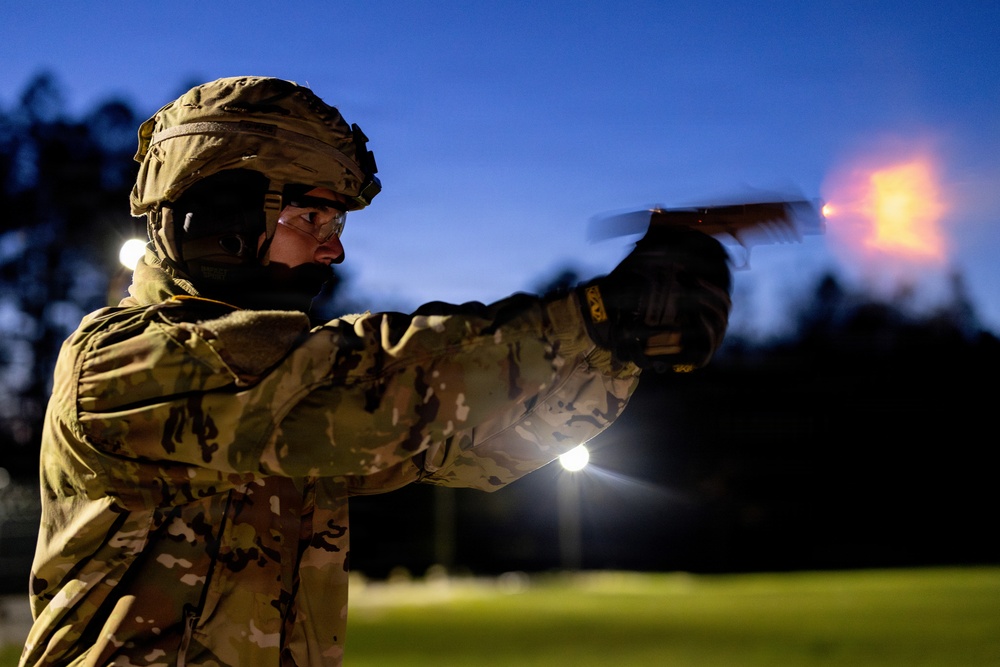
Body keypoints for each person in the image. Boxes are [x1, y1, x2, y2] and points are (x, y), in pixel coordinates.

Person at [19, 76, 731, 666]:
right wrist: (590, 315)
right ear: (220, 216)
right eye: (311, 220)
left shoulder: (310, 398)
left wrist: (616, 352)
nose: (333, 252)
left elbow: (477, 443)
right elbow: (370, 389)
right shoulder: (114, 363)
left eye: (336, 227)